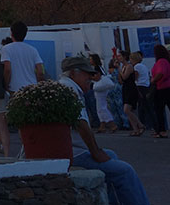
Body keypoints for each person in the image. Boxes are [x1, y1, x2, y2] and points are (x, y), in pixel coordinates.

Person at [59, 55, 151, 205]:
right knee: (125, 171)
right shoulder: (70, 89)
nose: (91, 77)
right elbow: (81, 124)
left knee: (112, 156)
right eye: (87, 73)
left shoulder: (66, 86)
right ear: (74, 73)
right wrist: (95, 152)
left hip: (72, 150)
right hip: (75, 153)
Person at [148, 44, 170, 137]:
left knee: (159, 109)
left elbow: (161, 73)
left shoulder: (161, 62)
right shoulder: (169, 61)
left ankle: (162, 130)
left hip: (163, 87)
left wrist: (153, 80)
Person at [0, 21, 44, 94]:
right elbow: (40, 71)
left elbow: (7, 69)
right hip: (31, 88)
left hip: (14, 88)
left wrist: (6, 86)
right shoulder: (33, 50)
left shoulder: (6, 49)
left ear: (12, 34)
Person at [118, 51, 144, 137]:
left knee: (127, 109)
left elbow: (125, 76)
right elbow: (121, 80)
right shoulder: (123, 67)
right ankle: (135, 129)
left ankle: (140, 124)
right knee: (129, 111)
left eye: (120, 56)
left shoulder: (129, 66)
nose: (119, 58)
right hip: (125, 88)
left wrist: (119, 69)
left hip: (131, 88)